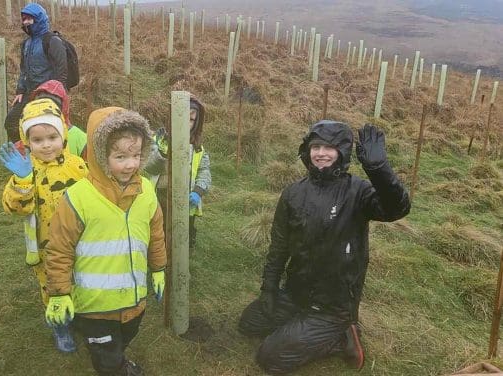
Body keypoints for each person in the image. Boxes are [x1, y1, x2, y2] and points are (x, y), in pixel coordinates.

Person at [238, 121, 411, 374]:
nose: (321, 153)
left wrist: (380, 170)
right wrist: (269, 289)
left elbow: (397, 208)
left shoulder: (358, 192)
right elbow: (279, 246)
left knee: (270, 357)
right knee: (249, 323)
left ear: (341, 151)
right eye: (315, 146)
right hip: (297, 292)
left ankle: (341, 336)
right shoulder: (293, 193)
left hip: (334, 303)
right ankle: (303, 326)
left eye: (329, 147)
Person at [44, 107, 167, 375]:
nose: (131, 164)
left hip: (135, 302)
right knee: (107, 361)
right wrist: (60, 292)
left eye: (136, 155)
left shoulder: (146, 190)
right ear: (100, 155)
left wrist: (158, 268)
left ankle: (118, 359)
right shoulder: (78, 198)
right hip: (95, 309)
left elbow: (156, 231)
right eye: (120, 156)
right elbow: (59, 249)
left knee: (124, 340)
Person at [0, 98, 87, 352]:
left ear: (63, 135)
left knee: (79, 278)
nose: (46, 145)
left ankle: (80, 314)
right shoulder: (27, 170)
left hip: (79, 240)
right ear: (27, 142)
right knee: (52, 285)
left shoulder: (78, 166)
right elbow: (15, 207)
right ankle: (61, 326)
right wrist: (23, 180)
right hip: (45, 243)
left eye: (52, 137)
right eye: (37, 140)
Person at [145, 94, 211, 249]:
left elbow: (204, 171)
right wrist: (162, 152)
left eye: (191, 120)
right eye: (182, 118)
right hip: (161, 196)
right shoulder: (160, 141)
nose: (186, 123)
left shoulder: (197, 147)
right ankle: (160, 264)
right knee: (160, 234)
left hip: (187, 199)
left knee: (183, 237)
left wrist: (198, 191)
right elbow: (149, 167)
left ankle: (182, 267)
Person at [4, 3, 68, 143]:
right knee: (11, 122)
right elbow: (23, 70)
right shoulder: (26, 44)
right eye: (24, 19)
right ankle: (24, 156)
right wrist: (20, 90)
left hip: (47, 94)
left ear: (39, 19)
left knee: (43, 128)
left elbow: (62, 73)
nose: (26, 22)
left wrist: (54, 97)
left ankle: (45, 156)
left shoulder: (52, 41)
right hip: (28, 93)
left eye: (29, 19)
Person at [29, 79, 87, 160]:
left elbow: (90, 170)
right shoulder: (31, 135)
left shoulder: (81, 139)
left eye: (52, 108)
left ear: (63, 109)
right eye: (41, 107)